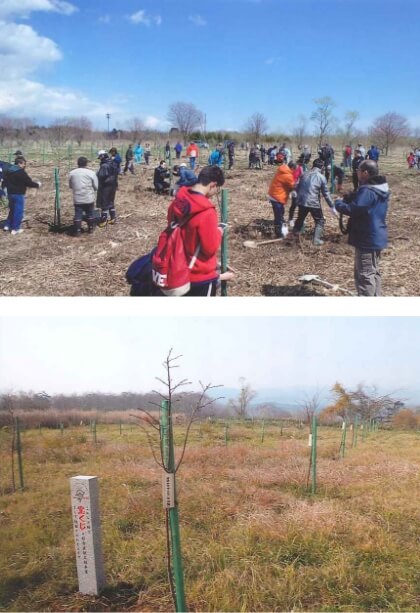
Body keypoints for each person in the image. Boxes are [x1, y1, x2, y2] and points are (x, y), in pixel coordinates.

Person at [158, 165, 226, 296]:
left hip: (177, 268)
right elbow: (210, 248)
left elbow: (171, 222)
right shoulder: (207, 212)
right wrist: (219, 231)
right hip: (198, 274)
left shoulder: (179, 199)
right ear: (213, 185)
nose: (216, 193)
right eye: (217, 189)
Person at [335, 160, 389, 296]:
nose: (357, 173)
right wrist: (353, 196)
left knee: (364, 274)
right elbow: (366, 205)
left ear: (365, 173)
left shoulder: (367, 190)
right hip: (377, 236)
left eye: (358, 170)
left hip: (366, 238)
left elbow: (354, 209)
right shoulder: (380, 188)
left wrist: (338, 204)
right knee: (373, 271)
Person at [293, 159, 338, 246]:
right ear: (321, 167)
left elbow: (297, 187)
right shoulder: (321, 177)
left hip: (302, 201)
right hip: (313, 203)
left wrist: (297, 199)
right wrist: (332, 206)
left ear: (313, 165)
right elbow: (326, 194)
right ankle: (316, 240)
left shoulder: (304, 174)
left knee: (300, 218)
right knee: (320, 220)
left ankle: (294, 236)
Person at [3, 156, 41, 235]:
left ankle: (7, 225)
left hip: (10, 194)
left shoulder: (8, 171)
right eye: (24, 164)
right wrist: (37, 184)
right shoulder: (21, 172)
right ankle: (15, 229)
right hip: (18, 194)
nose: (24, 166)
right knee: (18, 212)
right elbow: (28, 182)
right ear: (19, 163)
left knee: (12, 210)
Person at [68, 156, 98, 236]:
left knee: (78, 214)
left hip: (77, 198)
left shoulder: (72, 173)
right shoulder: (91, 173)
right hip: (88, 197)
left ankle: (77, 231)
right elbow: (96, 186)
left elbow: (71, 185)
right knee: (90, 213)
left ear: (77, 163)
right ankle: (90, 228)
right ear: (86, 164)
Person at [268, 154, 295, 237]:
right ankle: (280, 234)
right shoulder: (287, 175)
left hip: (274, 195)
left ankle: (281, 231)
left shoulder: (283, 170)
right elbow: (294, 186)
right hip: (277, 197)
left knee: (280, 214)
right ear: (292, 168)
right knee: (279, 216)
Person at [96, 150, 118, 226]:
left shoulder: (104, 166)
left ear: (102, 156)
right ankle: (113, 218)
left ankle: (103, 220)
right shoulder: (113, 162)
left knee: (104, 202)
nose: (100, 159)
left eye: (100, 157)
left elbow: (101, 176)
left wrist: (97, 174)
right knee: (111, 202)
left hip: (106, 186)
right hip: (114, 185)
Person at [288, 160, 304, 226]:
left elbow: (302, 177)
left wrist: (298, 183)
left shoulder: (300, 168)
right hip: (292, 187)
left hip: (299, 187)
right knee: (294, 204)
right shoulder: (289, 169)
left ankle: (300, 220)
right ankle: (290, 219)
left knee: (301, 205)